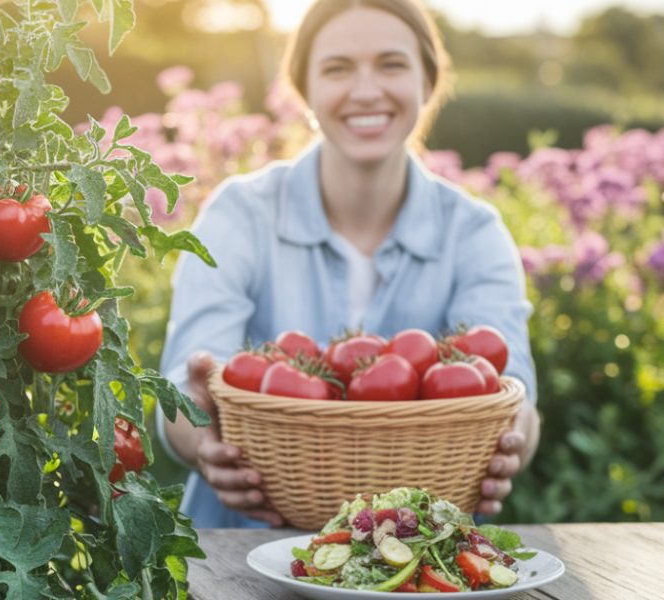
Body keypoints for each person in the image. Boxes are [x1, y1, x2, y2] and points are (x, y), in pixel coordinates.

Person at [158, 0, 542, 528]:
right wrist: (204, 442)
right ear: (304, 91)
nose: (365, 90)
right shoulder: (241, 214)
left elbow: (513, 387)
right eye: (337, 68)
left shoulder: (474, 232)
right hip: (239, 547)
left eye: (391, 64)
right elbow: (182, 389)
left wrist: (511, 442)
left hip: (410, 554)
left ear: (428, 82)